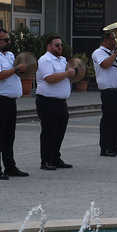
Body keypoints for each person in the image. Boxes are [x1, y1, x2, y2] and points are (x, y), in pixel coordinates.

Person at [0, 29, 29, 180]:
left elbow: (15, 73)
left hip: (9, 100)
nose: (9, 42)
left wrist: (22, 68)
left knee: (9, 135)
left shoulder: (9, 55)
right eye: (6, 40)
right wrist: (16, 69)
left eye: (9, 39)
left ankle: (10, 166)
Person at [36, 35, 76, 171]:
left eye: (61, 45)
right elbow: (49, 78)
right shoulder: (45, 60)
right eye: (57, 45)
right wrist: (67, 74)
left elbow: (66, 78)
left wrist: (74, 74)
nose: (60, 47)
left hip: (61, 102)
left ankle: (55, 158)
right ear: (49, 46)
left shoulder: (63, 60)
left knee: (59, 131)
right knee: (49, 132)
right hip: (48, 101)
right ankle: (46, 160)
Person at [92, 32, 117, 157]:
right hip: (109, 91)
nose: (114, 42)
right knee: (109, 120)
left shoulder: (116, 53)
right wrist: (116, 52)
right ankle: (105, 147)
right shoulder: (98, 52)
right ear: (105, 41)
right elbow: (105, 64)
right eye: (112, 40)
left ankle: (115, 146)